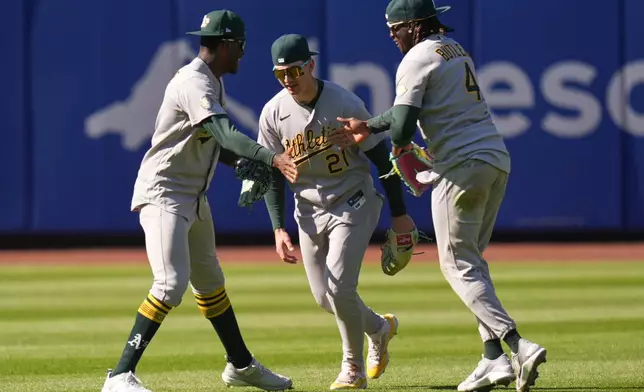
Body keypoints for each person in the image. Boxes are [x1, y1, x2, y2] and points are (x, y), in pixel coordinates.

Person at [328, 1, 547, 391]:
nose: (391, 36)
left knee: (455, 264)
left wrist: (388, 141)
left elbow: (401, 129)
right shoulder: (455, 50)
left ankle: (518, 345)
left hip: (459, 165)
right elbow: (399, 119)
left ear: (413, 26)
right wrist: (371, 124)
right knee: (472, 263)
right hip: (495, 159)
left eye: (395, 28)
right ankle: (493, 358)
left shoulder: (415, 58)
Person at [101, 9, 296, 392]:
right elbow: (222, 132)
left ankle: (240, 366)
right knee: (171, 283)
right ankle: (119, 375)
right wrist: (269, 158)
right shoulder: (194, 82)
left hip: (191, 196)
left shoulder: (211, 81)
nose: (242, 53)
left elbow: (210, 142)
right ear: (226, 45)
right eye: (239, 46)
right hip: (164, 194)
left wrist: (242, 165)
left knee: (210, 284)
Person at [249, 33, 420, 390]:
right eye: (280, 74)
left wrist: (400, 214)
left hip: (353, 200)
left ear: (310, 65)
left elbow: (380, 156)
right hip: (308, 211)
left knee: (341, 288)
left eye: (294, 71)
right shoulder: (273, 113)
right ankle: (379, 328)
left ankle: (352, 368)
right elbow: (271, 173)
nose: (288, 80)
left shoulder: (344, 101)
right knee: (326, 298)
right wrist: (278, 228)